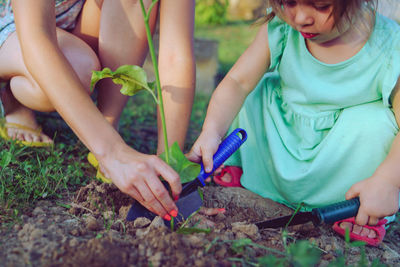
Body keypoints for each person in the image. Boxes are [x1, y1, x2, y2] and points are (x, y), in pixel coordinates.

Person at [188, 0, 400, 246]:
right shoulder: (283, 28)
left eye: (321, 6)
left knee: (376, 124)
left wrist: (388, 181)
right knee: (256, 90)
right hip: (283, 140)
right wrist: (212, 131)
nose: (300, 18)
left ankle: (354, 208)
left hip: (339, 160)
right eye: (287, 2)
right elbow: (238, 81)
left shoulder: (390, 47)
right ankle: (244, 165)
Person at [0, 0, 196, 221]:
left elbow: (175, 55)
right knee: (78, 69)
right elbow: (36, 39)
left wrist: (170, 160)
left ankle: (107, 122)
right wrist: (112, 151)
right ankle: (13, 99)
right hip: (19, 26)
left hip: (74, 23)